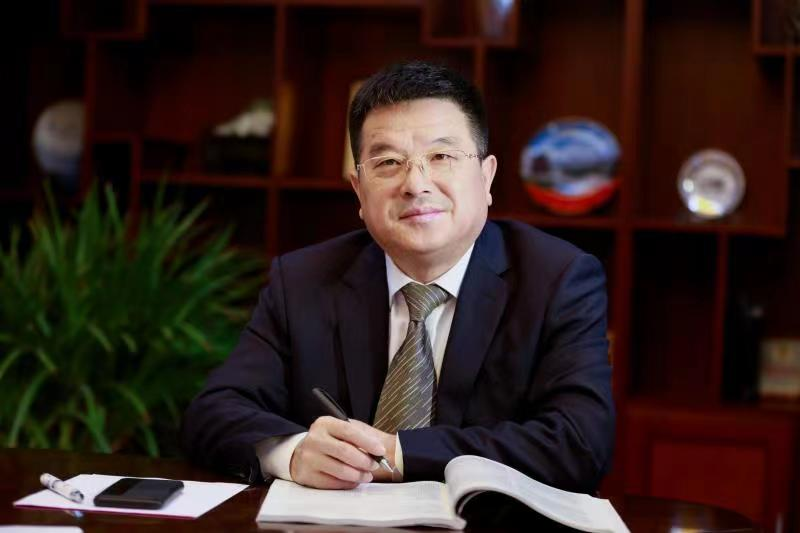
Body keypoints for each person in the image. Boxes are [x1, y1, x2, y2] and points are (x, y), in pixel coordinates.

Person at [181, 61, 615, 494]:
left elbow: (580, 443)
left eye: (441, 157)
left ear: (486, 178)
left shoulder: (557, 280)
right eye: (389, 162)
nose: (415, 184)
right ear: (359, 190)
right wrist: (293, 453)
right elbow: (213, 412)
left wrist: (400, 453)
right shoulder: (302, 280)